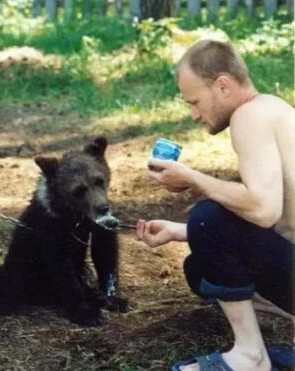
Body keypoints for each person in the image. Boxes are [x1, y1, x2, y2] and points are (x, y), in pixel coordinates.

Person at [135, 39, 294, 371]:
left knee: (208, 217)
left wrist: (193, 178)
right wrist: (182, 231)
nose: (194, 114)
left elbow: (264, 211)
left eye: (195, 101)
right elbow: (280, 219)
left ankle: (251, 357)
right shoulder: (273, 108)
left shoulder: (249, 116)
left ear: (223, 86)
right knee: (200, 268)